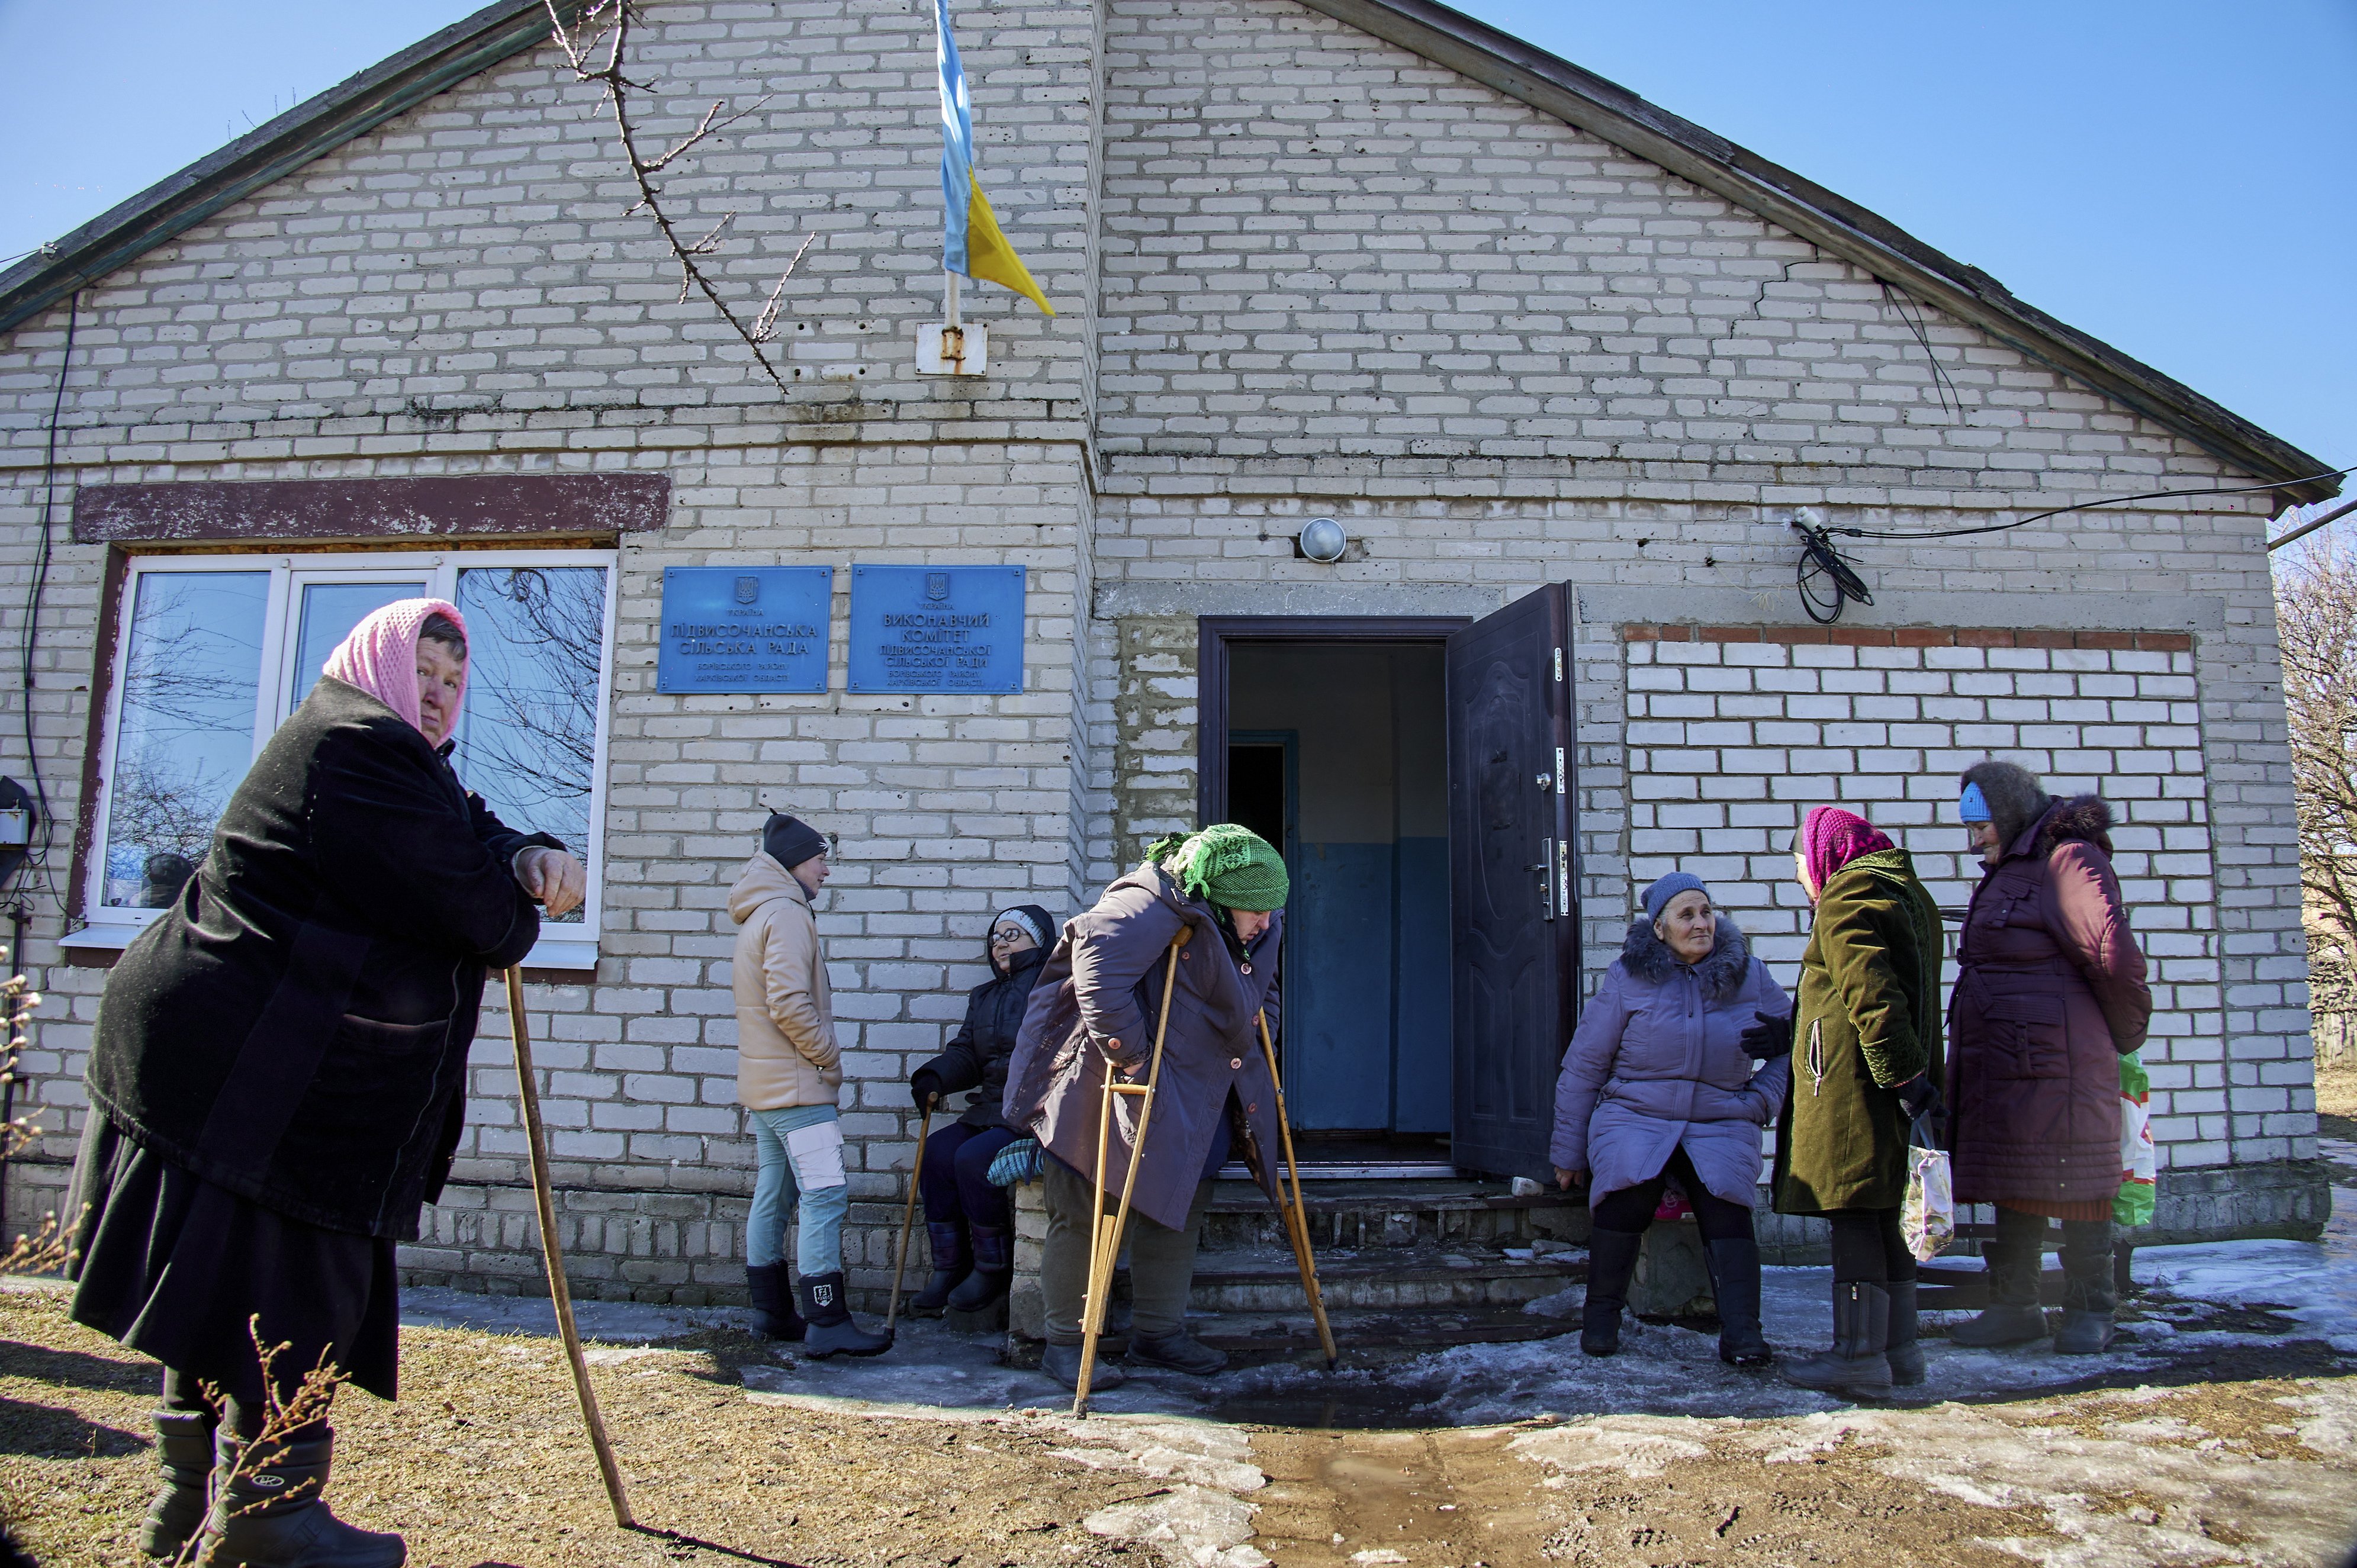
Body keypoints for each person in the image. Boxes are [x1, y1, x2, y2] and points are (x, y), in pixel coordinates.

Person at [66, 599, 587, 1567]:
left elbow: (471, 829)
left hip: (233, 1063)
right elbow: (488, 921)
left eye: (451, 681)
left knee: (225, 1279)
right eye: (422, 672)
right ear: (378, 665)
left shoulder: (382, 751)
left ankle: (189, 1500)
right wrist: (515, 889)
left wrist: (527, 849)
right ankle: (271, 1521)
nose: (435, 695)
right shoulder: (358, 749)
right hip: (252, 1073)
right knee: (287, 1281)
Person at [1003, 825, 1289, 1393]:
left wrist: (1260, 1037)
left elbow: (1267, 989)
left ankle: (1159, 1331)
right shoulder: (1144, 902)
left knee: (1178, 1204)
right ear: (1217, 892)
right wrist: (1133, 1058)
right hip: (1106, 1088)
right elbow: (1097, 973)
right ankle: (1066, 1344)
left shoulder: (1258, 922)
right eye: (1254, 911)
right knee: (1085, 1209)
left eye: (1270, 912)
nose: (1265, 923)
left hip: (1196, 1092)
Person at [1946, 761, 2151, 1354]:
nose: (1974, 837)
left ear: (2009, 814)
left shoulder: (2068, 860)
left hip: (2060, 1058)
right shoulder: (2014, 865)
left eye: (1980, 824)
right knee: (2017, 1178)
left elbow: (2112, 954)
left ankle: (2091, 1308)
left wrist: (2125, 1031)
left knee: (2079, 1181)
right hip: (2010, 1058)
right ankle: (2016, 1307)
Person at [1551, 872, 1793, 1366]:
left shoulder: (1750, 975)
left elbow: (1796, 1048)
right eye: (1687, 915)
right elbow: (1584, 1065)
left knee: (1726, 1205)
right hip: (1636, 1114)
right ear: (1659, 929)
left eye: (1705, 912)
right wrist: (1569, 1151)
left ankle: (1743, 1332)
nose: (1701, 923)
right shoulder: (1628, 977)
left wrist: (1761, 1099)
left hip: (1720, 1119)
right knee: (1624, 1197)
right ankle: (1600, 1318)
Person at [1770, 806, 1945, 1396]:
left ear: (1824, 855)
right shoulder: (1907, 894)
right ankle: (1900, 1352)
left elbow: (1872, 996)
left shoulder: (1846, 899)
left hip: (1852, 1088)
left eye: (1799, 865)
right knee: (1882, 1214)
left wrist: (1901, 1078)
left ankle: (1856, 1355)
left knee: (1851, 1214)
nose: (1801, 880)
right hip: (1893, 1091)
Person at [729, 812, 890, 1358]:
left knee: (774, 1192)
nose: (826, 870)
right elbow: (789, 1003)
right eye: (820, 858)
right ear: (794, 861)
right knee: (825, 1193)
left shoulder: (758, 914)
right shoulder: (789, 914)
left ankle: (771, 1311)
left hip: (767, 1087)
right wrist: (828, 1056)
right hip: (799, 1088)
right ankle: (826, 1320)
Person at [906, 904, 1057, 1316]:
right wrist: (936, 1076)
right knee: (937, 1153)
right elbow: (967, 1054)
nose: (1000, 944)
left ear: (1038, 940)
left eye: (1012, 935)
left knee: (973, 1160)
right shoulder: (984, 996)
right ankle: (949, 1266)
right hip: (989, 1108)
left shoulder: (1054, 987)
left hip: (1030, 1113)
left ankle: (992, 1266)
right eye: (994, 937)